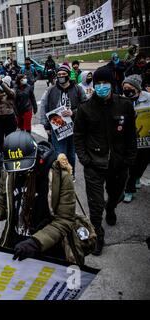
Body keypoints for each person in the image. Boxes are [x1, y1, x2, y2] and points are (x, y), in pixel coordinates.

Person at [0, 132, 78, 263]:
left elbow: (65, 220)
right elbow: (3, 204)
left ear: (36, 156)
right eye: (15, 168)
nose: (19, 172)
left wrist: (35, 242)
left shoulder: (60, 175)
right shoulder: (9, 173)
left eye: (24, 167)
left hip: (48, 249)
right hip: (16, 244)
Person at [74, 66, 137, 256]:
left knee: (116, 195)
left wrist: (129, 159)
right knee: (95, 205)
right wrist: (85, 159)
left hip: (118, 164)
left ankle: (111, 208)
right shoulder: (85, 108)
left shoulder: (124, 105)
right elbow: (78, 136)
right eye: (98, 83)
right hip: (94, 164)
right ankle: (97, 236)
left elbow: (130, 136)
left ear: (112, 84)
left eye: (105, 83)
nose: (101, 87)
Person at [41, 63, 87, 178]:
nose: (61, 76)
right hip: (57, 126)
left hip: (74, 126)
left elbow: (86, 105)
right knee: (60, 153)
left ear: (68, 75)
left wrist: (74, 112)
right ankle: (62, 176)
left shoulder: (78, 89)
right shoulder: (51, 89)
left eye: (64, 74)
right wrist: (46, 125)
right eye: (59, 74)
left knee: (71, 153)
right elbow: (44, 106)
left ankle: (71, 174)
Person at [121, 75, 150, 203]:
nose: (127, 90)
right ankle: (129, 190)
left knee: (143, 162)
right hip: (130, 141)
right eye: (125, 88)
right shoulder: (123, 100)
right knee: (131, 166)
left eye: (130, 88)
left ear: (137, 88)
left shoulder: (148, 98)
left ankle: (138, 177)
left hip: (147, 140)